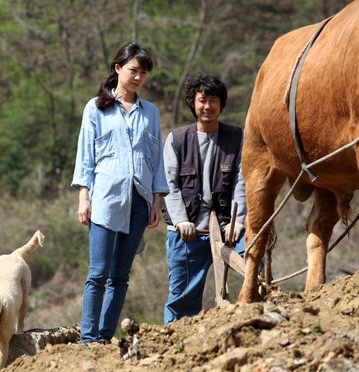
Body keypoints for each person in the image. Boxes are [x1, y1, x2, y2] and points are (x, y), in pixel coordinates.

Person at [71, 42, 169, 343]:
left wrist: (156, 200)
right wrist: (84, 197)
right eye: (133, 70)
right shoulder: (96, 107)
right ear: (118, 69)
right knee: (98, 273)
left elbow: (157, 161)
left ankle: (104, 335)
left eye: (143, 72)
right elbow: (86, 156)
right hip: (105, 198)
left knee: (121, 276)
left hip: (139, 201)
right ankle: (88, 339)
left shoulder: (150, 112)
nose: (138, 77)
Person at [162, 74, 246, 324]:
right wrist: (180, 220)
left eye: (213, 100)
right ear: (193, 104)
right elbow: (169, 185)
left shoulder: (237, 137)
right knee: (181, 300)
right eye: (202, 100)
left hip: (229, 228)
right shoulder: (176, 139)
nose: (207, 106)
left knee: (254, 268)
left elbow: (243, 180)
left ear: (221, 104)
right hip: (188, 232)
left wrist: (238, 220)